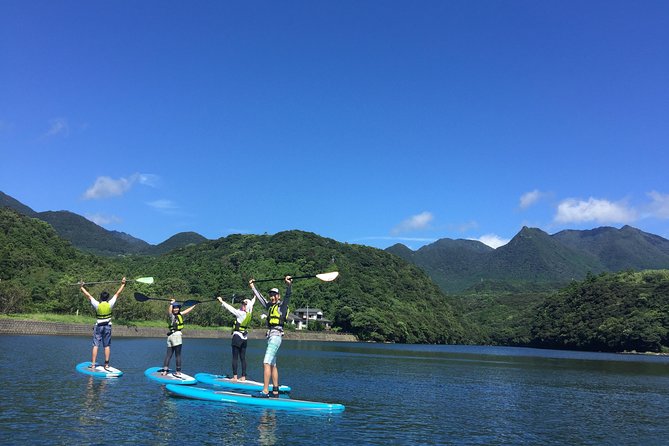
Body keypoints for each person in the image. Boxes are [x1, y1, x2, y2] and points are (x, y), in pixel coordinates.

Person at [249, 275, 292, 398]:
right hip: (272, 337)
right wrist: (253, 287)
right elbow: (260, 298)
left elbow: (288, 296)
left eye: (274, 295)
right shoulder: (270, 306)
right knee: (273, 364)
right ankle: (276, 391)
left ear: (278, 296)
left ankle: (265, 391)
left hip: (276, 336)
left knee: (266, 362)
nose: (272, 297)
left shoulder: (281, 307)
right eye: (271, 295)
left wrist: (289, 285)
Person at [80, 277, 127, 370]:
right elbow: (118, 293)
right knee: (107, 346)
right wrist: (123, 284)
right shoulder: (110, 303)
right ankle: (106, 365)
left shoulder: (97, 304)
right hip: (107, 327)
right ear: (107, 298)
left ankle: (93, 364)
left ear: (100, 298)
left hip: (98, 327)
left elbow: (88, 296)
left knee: (95, 345)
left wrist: (82, 287)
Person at [217, 295, 256, 381]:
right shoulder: (249, 313)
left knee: (235, 357)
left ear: (247, 307)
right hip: (244, 338)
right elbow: (252, 302)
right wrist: (254, 295)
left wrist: (222, 301)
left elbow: (230, 308)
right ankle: (243, 377)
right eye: (242, 304)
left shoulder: (241, 313)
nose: (242, 305)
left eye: (244, 304)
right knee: (243, 358)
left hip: (237, 337)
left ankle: (235, 377)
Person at [160, 300, 196, 376]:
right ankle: (178, 372)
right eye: (174, 308)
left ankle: (165, 371)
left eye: (177, 308)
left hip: (170, 337)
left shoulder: (179, 314)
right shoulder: (171, 315)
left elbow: (186, 311)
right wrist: (171, 303)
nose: (176, 309)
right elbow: (169, 311)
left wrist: (194, 305)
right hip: (176, 336)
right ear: (172, 308)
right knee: (177, 355)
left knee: (168, 355)